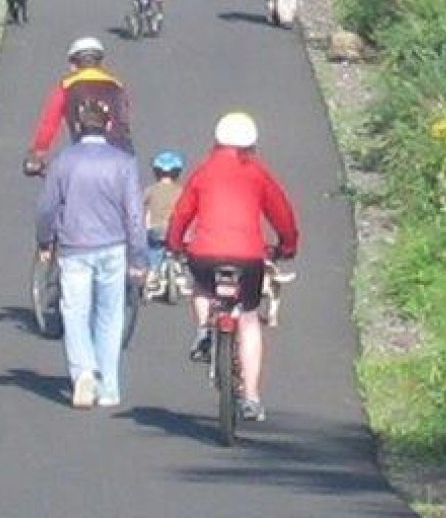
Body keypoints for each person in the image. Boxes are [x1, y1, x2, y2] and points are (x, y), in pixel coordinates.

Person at [166, 112, 299, 423]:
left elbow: (182, 213)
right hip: (248, 257)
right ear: (252, 143)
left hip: (205, 254)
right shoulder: (258, 173)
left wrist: (175, 244)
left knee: (202, 284)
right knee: (249, 318)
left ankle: (202, 332)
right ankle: (251, 396)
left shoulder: (203, 172)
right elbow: (282, 214)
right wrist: (287, 246)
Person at [35, 100, 148, 409]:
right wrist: (139, 258)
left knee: (74, 311)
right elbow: (135, 215)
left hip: (73, 248)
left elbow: (46, 208)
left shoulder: (63, 161)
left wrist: (45, 241)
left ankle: (82, 371)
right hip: (113, 246)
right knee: (110, 314)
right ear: (109, 126)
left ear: (78, 128)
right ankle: (108, 385)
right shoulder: (123, 163)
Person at [28, 37, 131, 172]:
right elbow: (124, 117)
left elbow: (50, 123)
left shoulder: (66, 85)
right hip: (120, 153)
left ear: (73, 64)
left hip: (85, 153)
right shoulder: (117, 85)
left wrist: (38, 152)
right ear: (101, 62)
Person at [142, 151, 186, 298]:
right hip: (177, 231)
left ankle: (151, 275)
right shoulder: (181, 191)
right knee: (181, 251)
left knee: (153, 249)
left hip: (156, 229)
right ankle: (180, 270)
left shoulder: (150, 190)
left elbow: (139, 206)